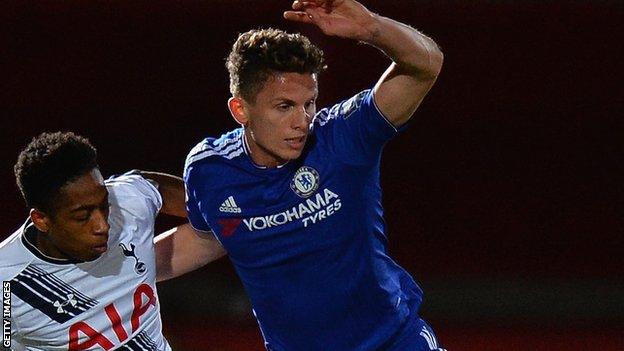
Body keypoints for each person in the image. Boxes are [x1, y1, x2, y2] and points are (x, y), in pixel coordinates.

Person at [183, 1, 444, 350]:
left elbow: (426, 66)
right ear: (240, 109)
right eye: (284, 106)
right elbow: (209, 237)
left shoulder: (342, 137)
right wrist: (120, 273)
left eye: (309, 103)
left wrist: (372, 29)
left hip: (393, 341)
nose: (302, 120)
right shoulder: (208, 170)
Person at [0, 132, 225, 350]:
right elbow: (6, 341)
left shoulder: (127, 203)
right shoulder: (6, 282)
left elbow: (154, 188)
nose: (102, 225)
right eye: (82, 216)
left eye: (104, 204)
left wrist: (230, 212)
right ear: (40, 219)